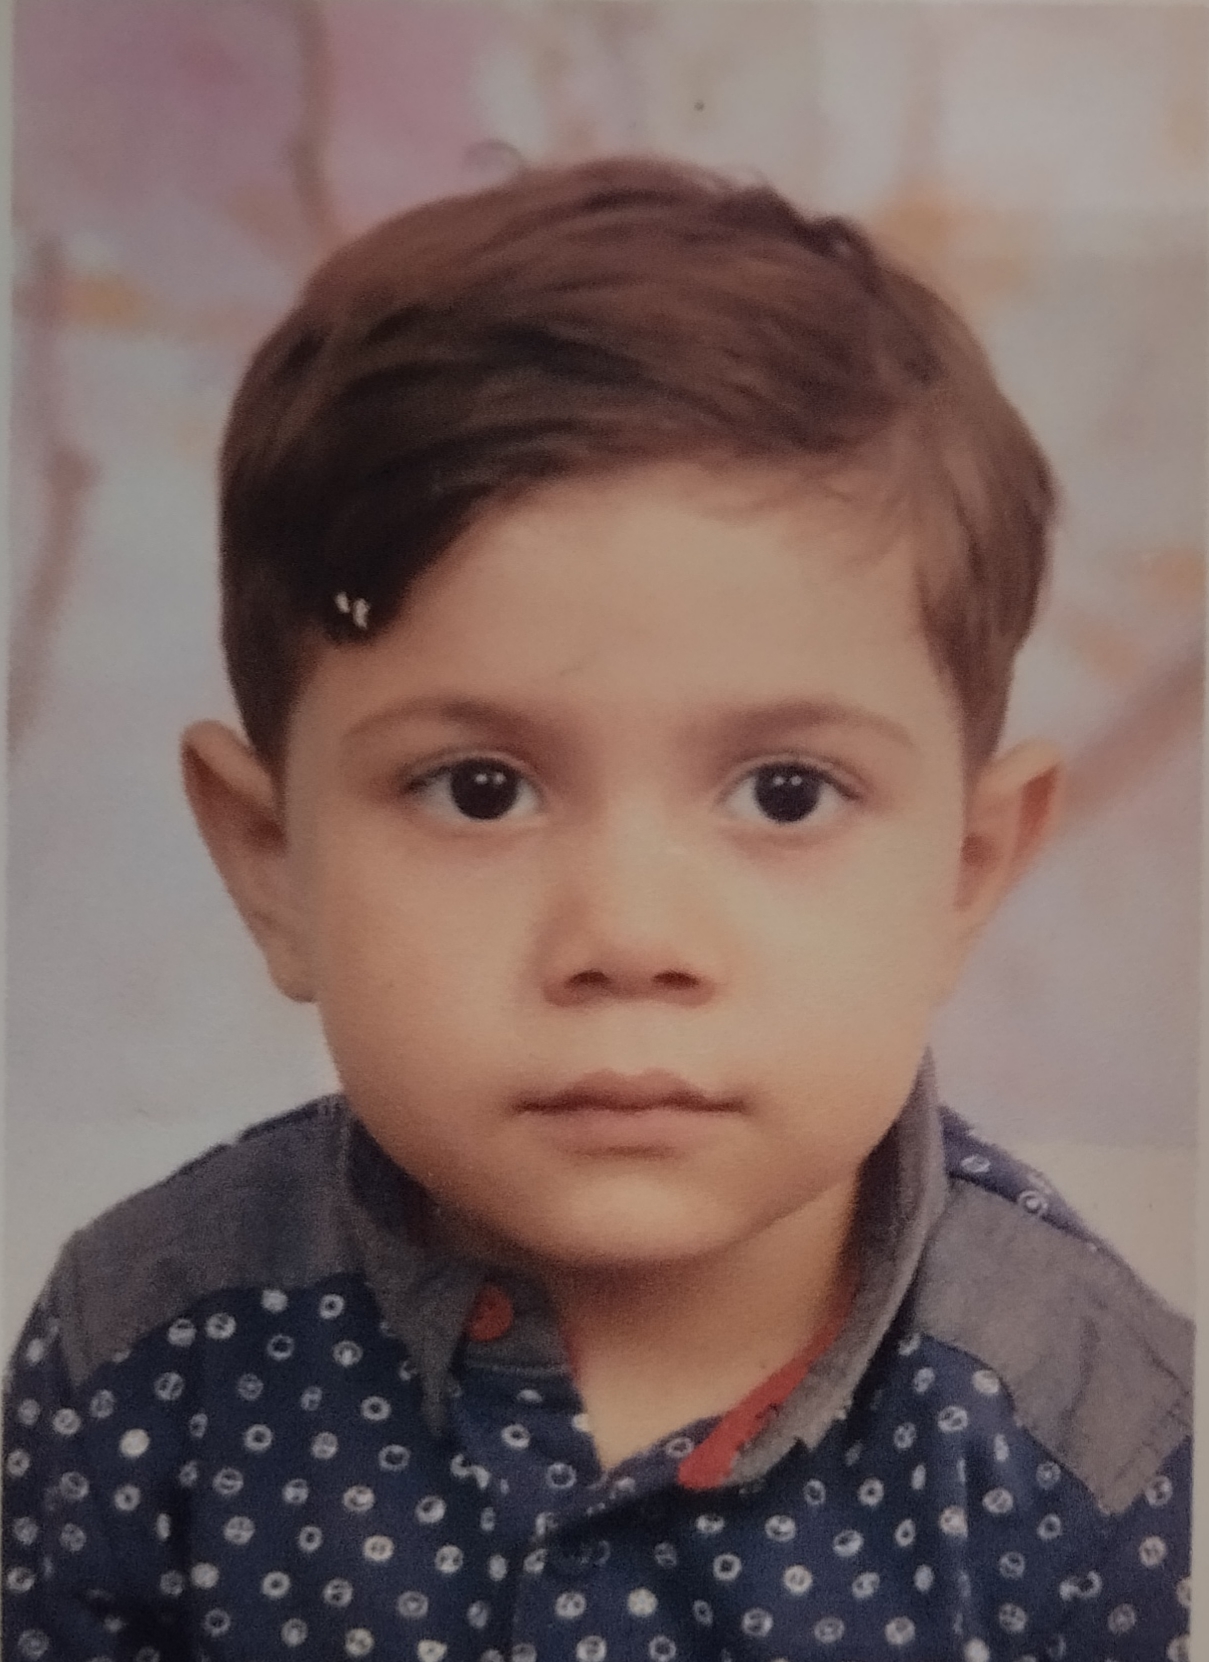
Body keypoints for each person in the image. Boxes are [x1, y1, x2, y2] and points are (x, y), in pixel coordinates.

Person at [4, 155, 1191, 1662]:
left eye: (784, 793)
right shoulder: (141, 1354)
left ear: (967, 867)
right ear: (270, 859)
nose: (629, 937)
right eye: (479, 790)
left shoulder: (1081, 1422)